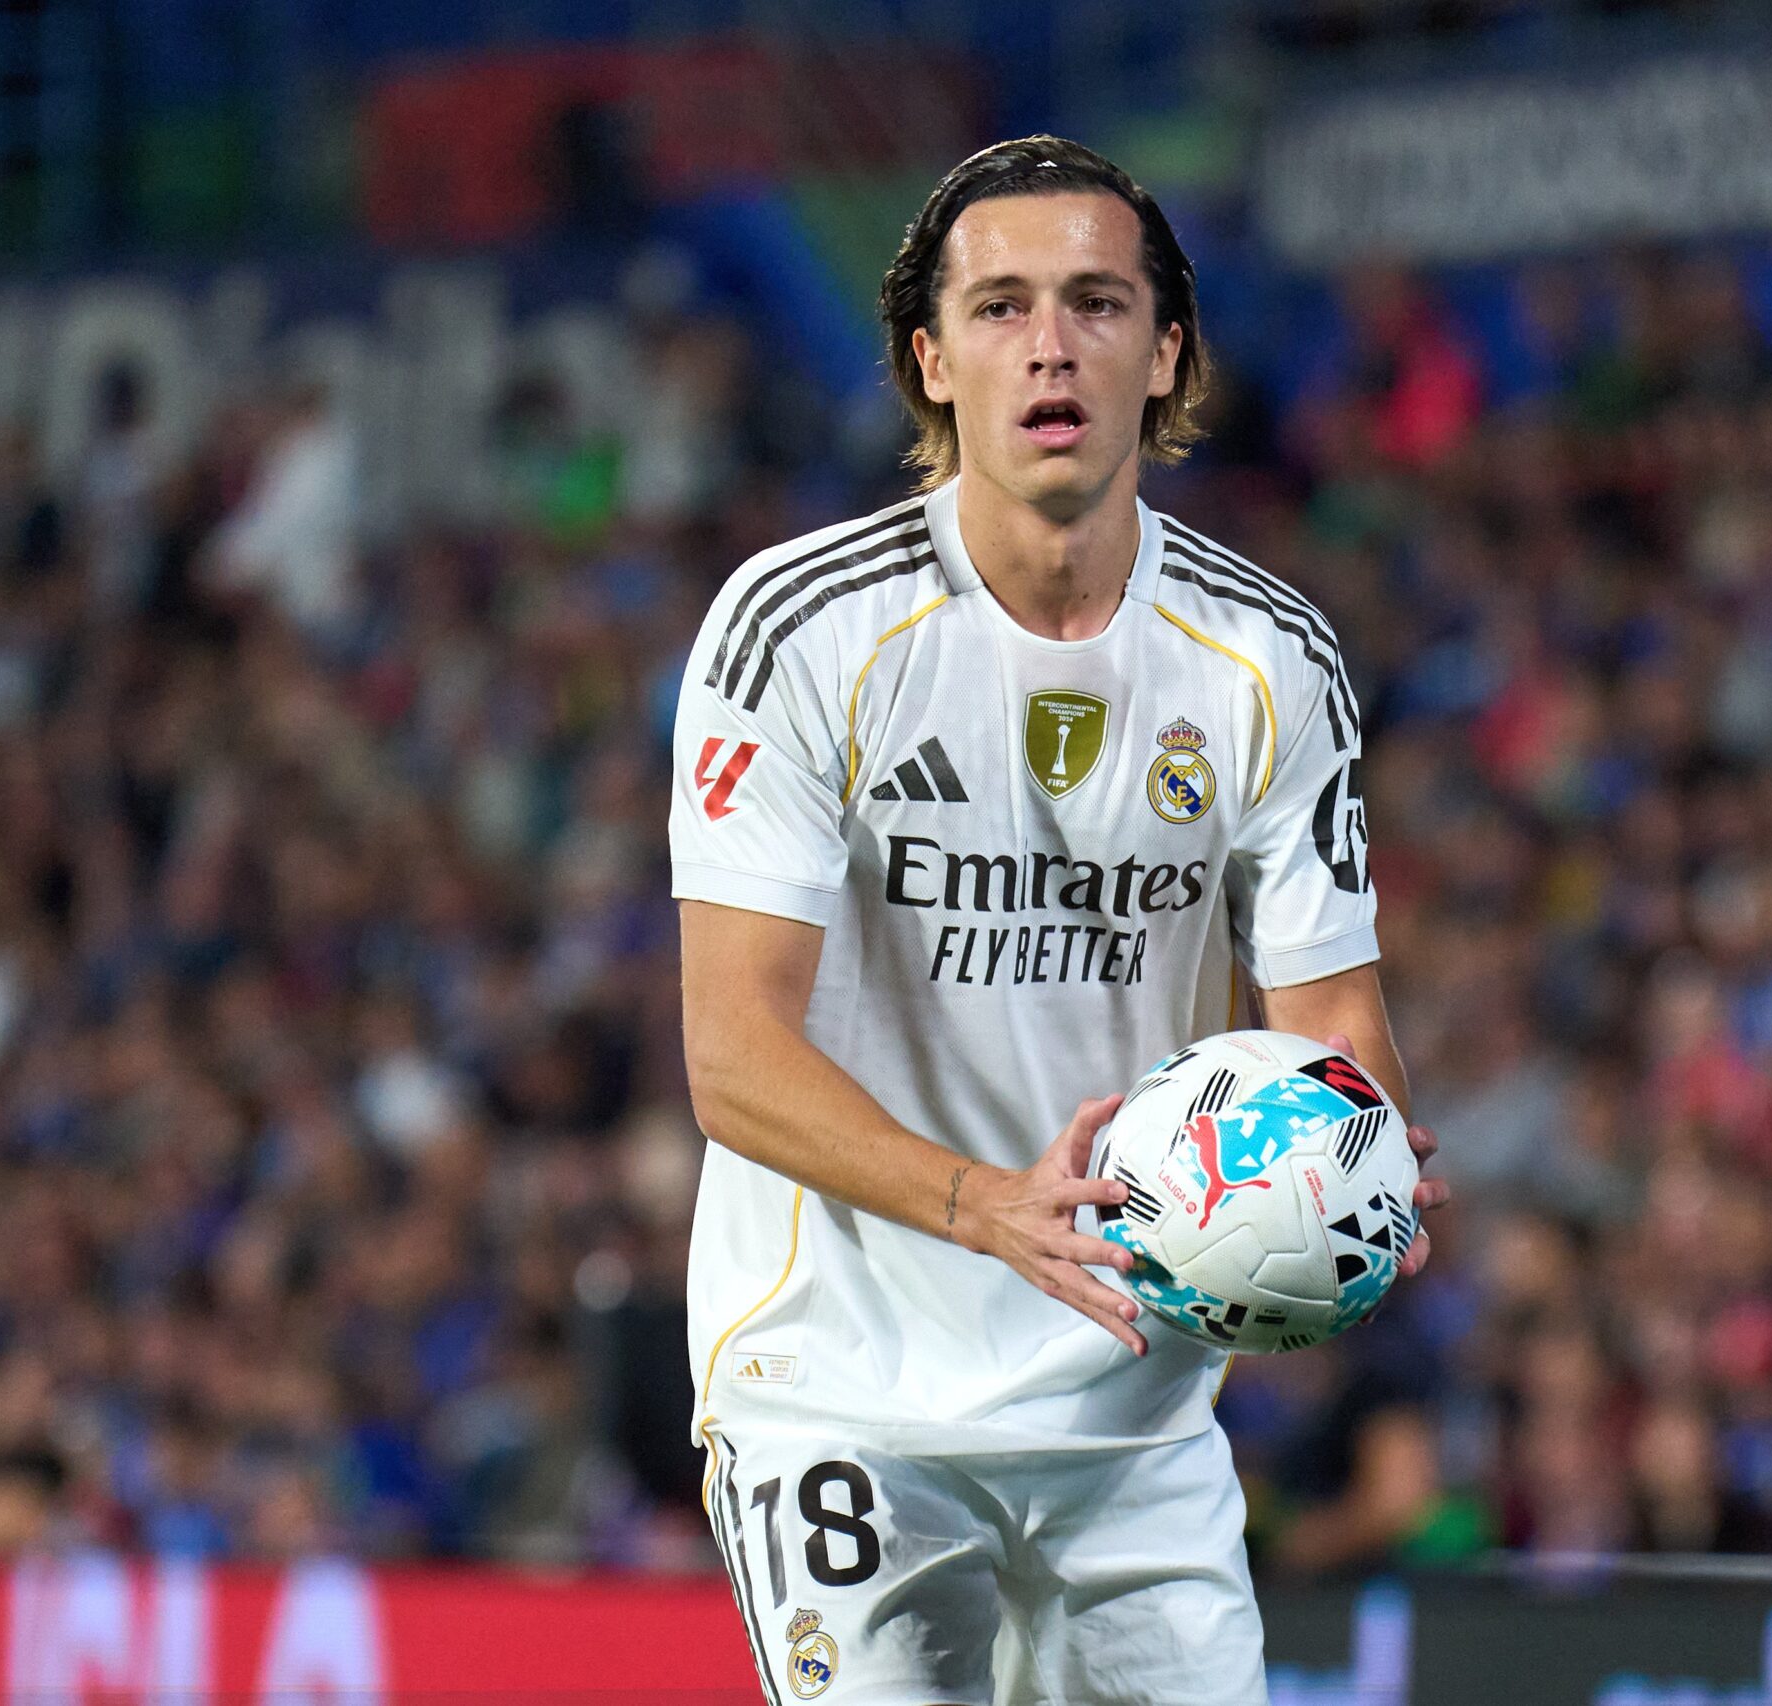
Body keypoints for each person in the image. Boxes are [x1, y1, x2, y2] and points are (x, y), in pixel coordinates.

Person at [669, 137, 1445, 1706]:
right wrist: (981, 1205)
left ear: (1164, 355)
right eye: (1001, 305)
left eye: (1096, 302)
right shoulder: (799, 632)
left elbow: (1332, 1019)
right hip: (848, 1391)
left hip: (1133, 1418)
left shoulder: (1269, 656)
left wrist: (1355, 1168)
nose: (1049, 343)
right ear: (929, 361)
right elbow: (730, 1051)